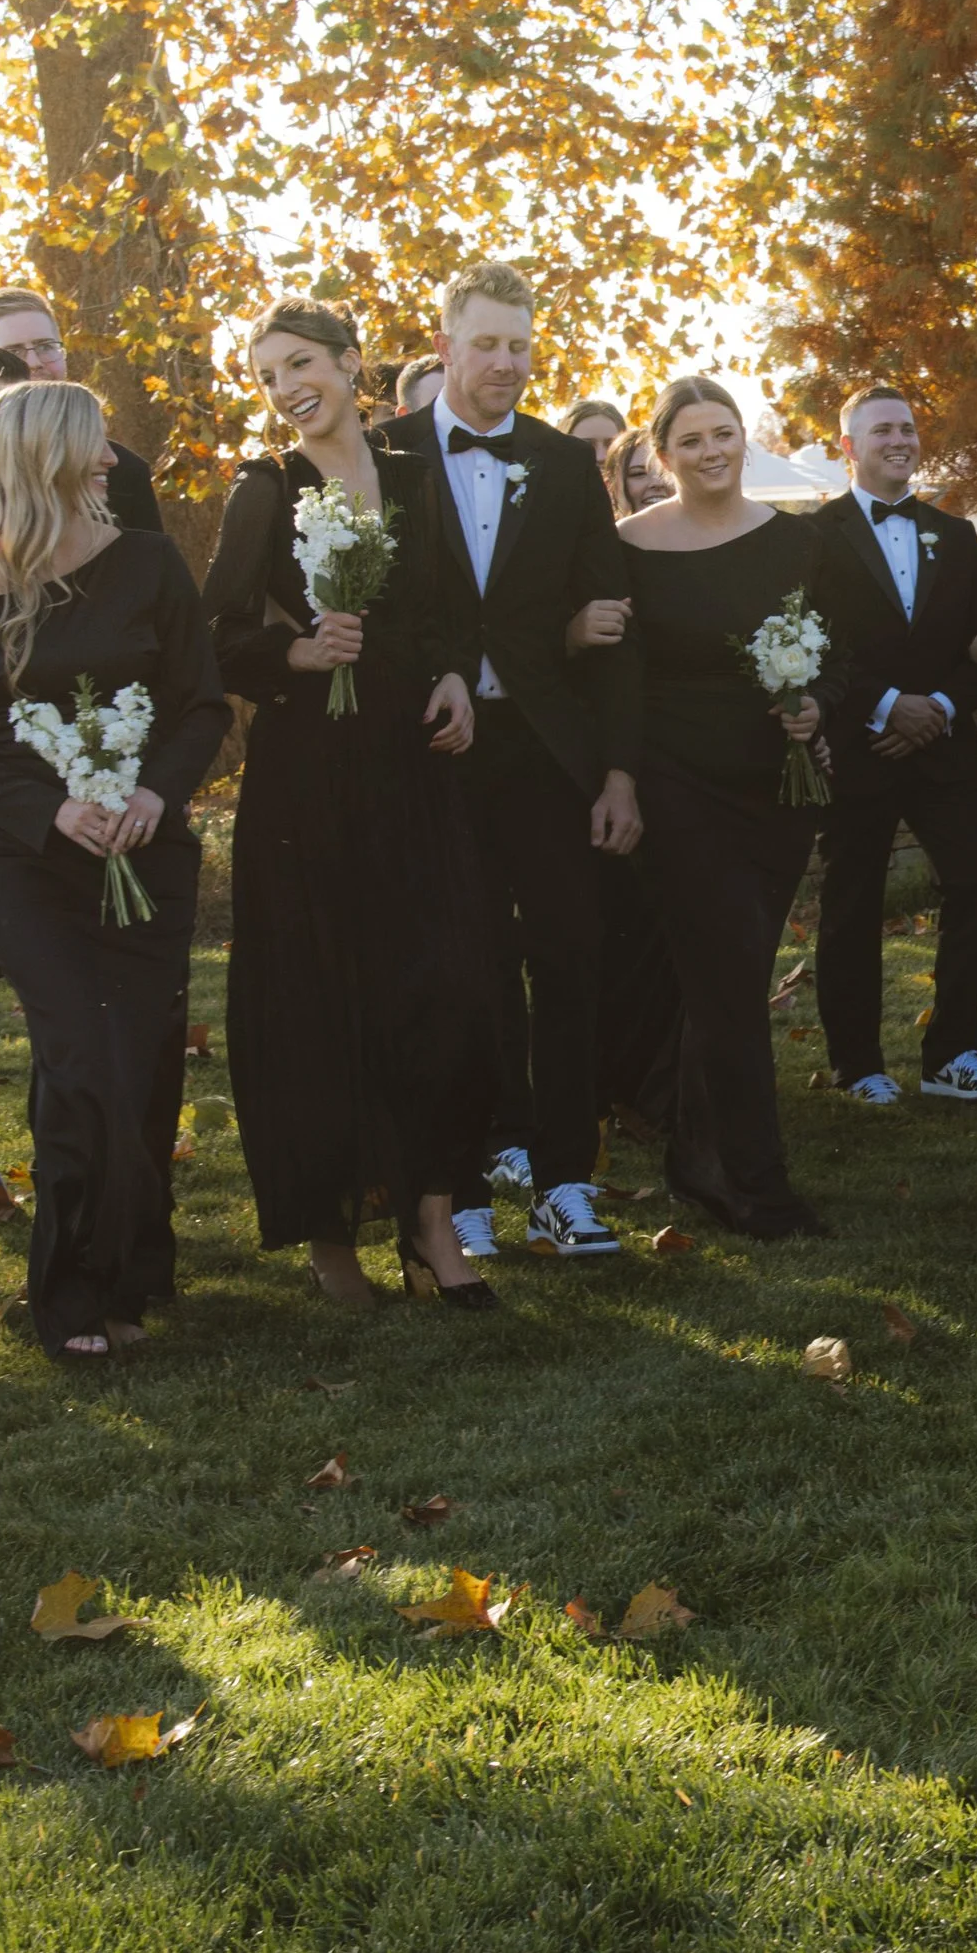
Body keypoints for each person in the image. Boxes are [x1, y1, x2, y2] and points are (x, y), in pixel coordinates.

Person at [201, 302, 499, 1308]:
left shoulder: (417, 476)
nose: (286, 387)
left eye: (299, 363)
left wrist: (457, 674)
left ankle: (431, 1218)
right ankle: (330, 1237)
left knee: (443, 987)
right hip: (306, 782)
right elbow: (217, 634)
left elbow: (455, 608)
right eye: (267, 375)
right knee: (316, 999)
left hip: (415, 766)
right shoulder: (264, 488)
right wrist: (295, 652)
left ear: (350, 364)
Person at [375, 263, 643, 1260]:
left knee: (571, 951)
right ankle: (467, 1179)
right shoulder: (383, 454)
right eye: (485, 343)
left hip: (542, 753)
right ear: (443, 346)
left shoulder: (564, 466)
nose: (505, 363)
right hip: (430, 755)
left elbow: (613, 629)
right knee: (461, 969)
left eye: (520, 346)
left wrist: (617, 773)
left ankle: (564, 1179)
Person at [0, 381, 229, 1361]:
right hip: (26, 864)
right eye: (93, 445)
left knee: (131, 1074)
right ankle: (67, 1297)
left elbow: (202, 706)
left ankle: (125, 1281)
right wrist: (53, 811)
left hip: (146, 855)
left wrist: (151, 797)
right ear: (46, 455)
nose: (108, 462)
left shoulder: (149, 563)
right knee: (80, 1064)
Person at [617, 374, 841, 1235]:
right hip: (674, 780)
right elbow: (613, 671)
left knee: (734, 977)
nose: (712, 452)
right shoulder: (626, 546)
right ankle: (756, 1184)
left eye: (724, 434)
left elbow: (838, 648)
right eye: (691, 441)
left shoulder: (797, 544)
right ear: (662, 454)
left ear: (743, 439)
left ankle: (698, 1159)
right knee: (727, 973)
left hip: (774, 786)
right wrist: (621, 776)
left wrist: (820, 701)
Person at [808, 388, 977, 1105]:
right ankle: (857, 1064)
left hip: (943, 746)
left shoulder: (954, 536)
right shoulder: (815, 537)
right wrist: (888, 708)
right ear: (849, 447)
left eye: (909, 428)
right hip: (859, 749)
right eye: (882, 429)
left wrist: (942, 708)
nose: (901, 439)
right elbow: (814, 645)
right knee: (853, 902)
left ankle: (951, 1053)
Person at [0, 289, 163, 532]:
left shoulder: (121, 471)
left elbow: (147, 565)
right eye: (13, 352)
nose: (35, 362)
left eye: (45, 346)